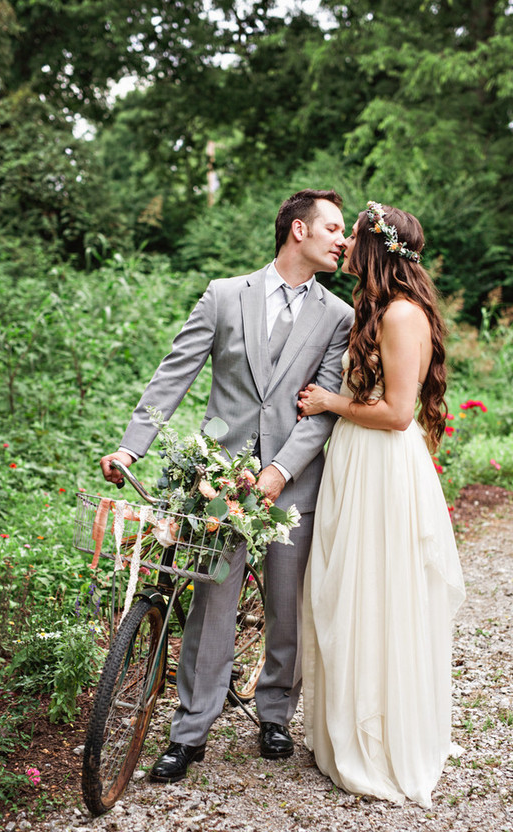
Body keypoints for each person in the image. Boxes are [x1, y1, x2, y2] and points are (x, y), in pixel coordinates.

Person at [100, 189, 354, 783]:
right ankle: (190, 731)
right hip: (220, 479)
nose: (344, 240)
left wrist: (279, 471)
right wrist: (130, 446)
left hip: (292, 482)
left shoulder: (338, 316)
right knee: (211, 604)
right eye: (334, 228)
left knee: (286, 606)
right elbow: (174, 374)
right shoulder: (222, 295)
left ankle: (275, 715)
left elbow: (320, 412)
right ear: (298, 230)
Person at [297, 201, 465, 809]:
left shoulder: (400, 315)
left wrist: (328, 403)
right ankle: (344, 727)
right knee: (345, 593)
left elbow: (396, 415)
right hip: (356, 465)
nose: (343, 246)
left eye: (353, 238)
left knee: (376, 596)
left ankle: (380, 740)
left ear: (376, 249)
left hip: (382, 468)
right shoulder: (379, 311)